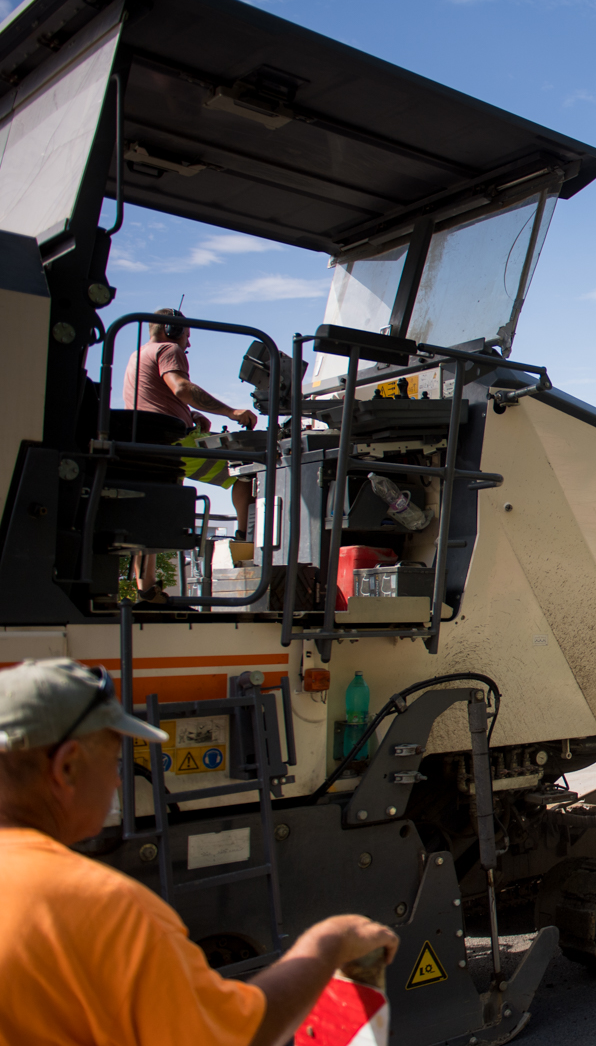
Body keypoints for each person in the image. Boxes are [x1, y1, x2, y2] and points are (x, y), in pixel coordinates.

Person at [0, 658, 397, 1046]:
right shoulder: (107, 910)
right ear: (67, 768)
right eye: (114, 759)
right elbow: (238, 1034)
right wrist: (330, 943)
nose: (118, 777)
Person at [123, 308, 259, 603]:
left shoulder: (139, 354)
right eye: (187, 335)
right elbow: (181, 387)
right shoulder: (169, 348)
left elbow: (158, 397)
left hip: (150, 440)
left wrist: (190, 414)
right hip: (173, 441)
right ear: (172, 330)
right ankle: (244, 545)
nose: (188, 344)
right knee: (247, 471)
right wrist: (231, 411)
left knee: (151, 514)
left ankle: (143, 591)